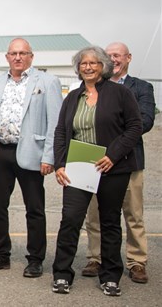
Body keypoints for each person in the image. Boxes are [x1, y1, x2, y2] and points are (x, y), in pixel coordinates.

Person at [51, 46, 142, 296]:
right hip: (79, 165)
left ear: (103, 66)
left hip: (112, 166)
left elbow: (135, 126)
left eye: (93, 63)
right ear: (78, 68)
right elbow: (61, 132)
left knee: (110, 221)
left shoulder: (120, 93)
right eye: (83, 64)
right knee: (70, 219)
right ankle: (61, 274)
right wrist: (60, 164)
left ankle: (111, 276)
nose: (88, 67)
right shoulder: (72, 96)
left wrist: (113, 155)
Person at [0, 38, 63, 278]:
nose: (17, 57)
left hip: (31, 152)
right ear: (7, 57)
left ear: (31, 56)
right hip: (0, 151)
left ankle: (35, 258)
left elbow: (55, 123)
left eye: (22, 53)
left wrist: (50, 156)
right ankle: (0, 254)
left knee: (34, 209)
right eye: (13, 53)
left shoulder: (47, 82)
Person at [81, 42, 156, 283]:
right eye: (109, 56)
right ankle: (96, 257)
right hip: (92, 160)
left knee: (132, 213)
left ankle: (136, 261)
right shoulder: (91, 87)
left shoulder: (141, 88)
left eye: (117, 56)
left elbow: (144, 121)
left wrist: (115, 145)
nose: (113, 60)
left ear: (128, 58)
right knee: (94, 214)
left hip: (128, 160)